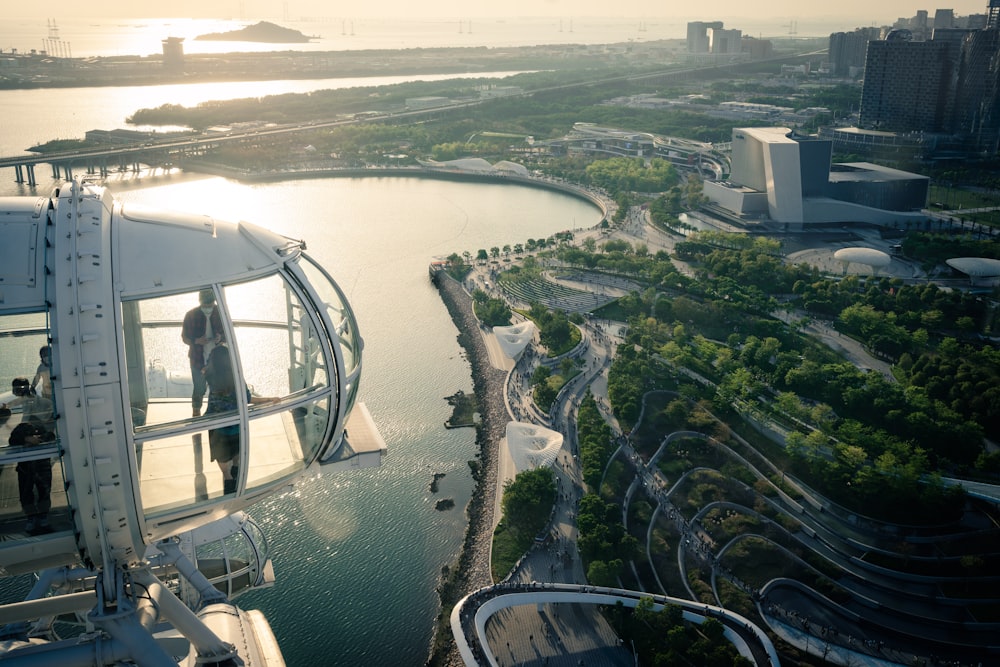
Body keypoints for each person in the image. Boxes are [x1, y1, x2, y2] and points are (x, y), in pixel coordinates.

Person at [202, 345, 276, 495]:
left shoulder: (210, 376)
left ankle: (228, 478)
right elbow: (247, 398)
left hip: (218, 426)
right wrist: (269, 399)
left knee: (220, 454)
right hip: (236, 424)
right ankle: (236, 467)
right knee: (236, 448)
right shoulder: (236, 377)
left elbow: (213, 401)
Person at [181, 288, 224, 418]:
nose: (207, 308)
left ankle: (215, 412)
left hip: (216, 359)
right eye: (205, 306)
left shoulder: (221, 313)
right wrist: (196, 341)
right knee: (199, 388)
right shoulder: (191, 315)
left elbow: (228, 333)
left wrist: (220, 338)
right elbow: (184, 337)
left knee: (217, 388)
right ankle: (196, 412)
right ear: (200, 302)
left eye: (210, 305)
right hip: (197, 359)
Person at [9, 418, 55, 535]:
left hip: (41, 467)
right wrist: (26, 439)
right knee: (26, 495)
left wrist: (37, 440)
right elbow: (12, 441)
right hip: (26, 469)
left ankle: (42, 518)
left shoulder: (42, 427)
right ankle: (32, 518)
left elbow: (51, 437)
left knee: (44, 493)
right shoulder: (20, 429)